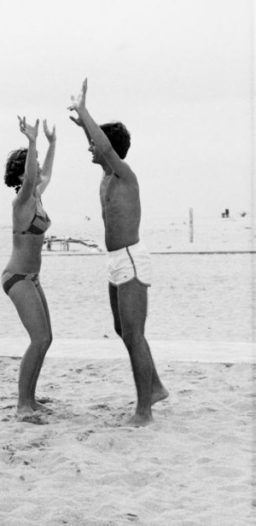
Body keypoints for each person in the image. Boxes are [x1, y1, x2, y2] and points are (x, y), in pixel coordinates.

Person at [68, 78, 168, 425]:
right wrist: (84, 126)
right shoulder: (107, 175)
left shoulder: (124, 175)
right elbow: (101, 148)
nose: (91, 149)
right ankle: (153, 386)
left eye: (94, 143)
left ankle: (145, 409)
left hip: (131, 259)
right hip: (114, 261)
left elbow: (105, 148)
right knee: (121, 329)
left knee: (135, 334)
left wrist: (84, 110)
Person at [2, 116, 57, 422]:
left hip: (32, 278)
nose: (37, 169)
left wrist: (52, 143)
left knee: (47, 339)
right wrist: (32, 142)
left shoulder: (36, 195)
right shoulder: (22, 201)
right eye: (32, 165)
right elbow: (35, 172)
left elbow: (45, 172)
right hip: (17, 278)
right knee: (38, 339)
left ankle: (31, 399)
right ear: (24, 173)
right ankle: (23, 404)